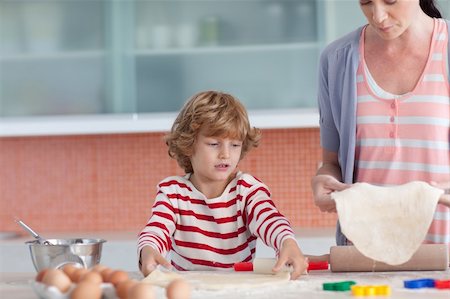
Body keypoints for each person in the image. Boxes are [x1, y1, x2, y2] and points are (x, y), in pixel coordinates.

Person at [312, 0, 450, 246]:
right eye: (366, 2)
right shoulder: (336, 60)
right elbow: (331, 164)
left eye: (390, 1)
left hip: (445, 253)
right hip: (365, 253)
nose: (378, 16)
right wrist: (323, 181)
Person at [138, 90, 308, 279]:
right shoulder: (173, 193)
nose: (226, 154)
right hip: (190, 291)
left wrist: (287, 242)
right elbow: (157, 228)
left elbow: (270, 219)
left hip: (239, 291)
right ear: (188, 145)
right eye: (213, 144)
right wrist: (148, 249)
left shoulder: (247, 191)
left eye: (235, 145)